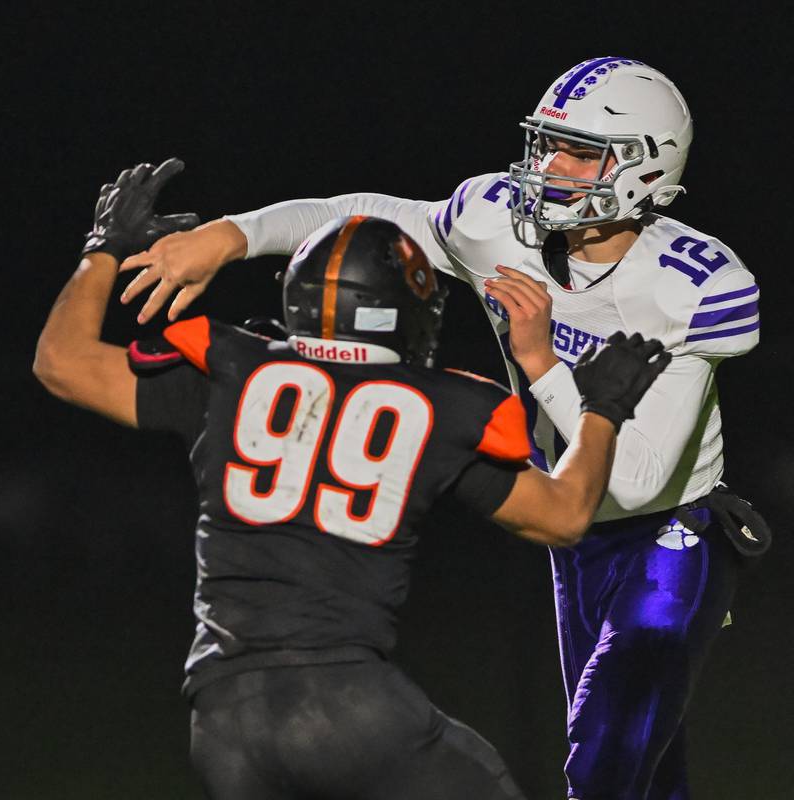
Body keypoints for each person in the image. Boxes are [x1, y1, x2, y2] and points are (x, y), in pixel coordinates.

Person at [117, 58, 769, 799]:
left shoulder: (688, 286)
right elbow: (363, 213)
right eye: (546, 143)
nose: (549, 166)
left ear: (647, 167)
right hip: (575, 532)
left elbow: (636, 478)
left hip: (670, 532)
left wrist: (544, 367)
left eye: (578, 151)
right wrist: (233, 237)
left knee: (604, 764)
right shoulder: (499, 227)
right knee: (645, 767)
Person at [34, 159, 669, 800]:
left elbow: (62, 362)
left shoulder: (228, 366)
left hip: (224, 717)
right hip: (351, 704)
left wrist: (103, 251)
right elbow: (563, 515)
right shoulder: (437, 407)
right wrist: (601, 411)